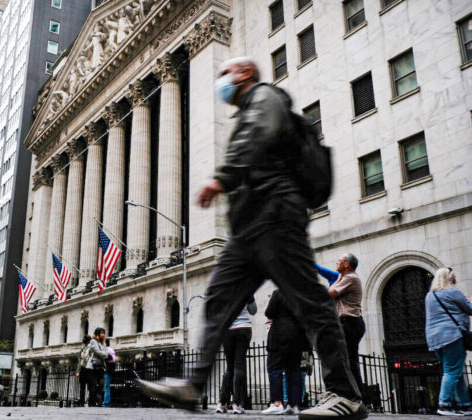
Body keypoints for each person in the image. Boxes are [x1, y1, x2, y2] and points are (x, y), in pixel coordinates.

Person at [136, 57, 366, 419]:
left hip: (276, 215)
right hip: (247, 229)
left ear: (244, 74)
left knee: (312, 304)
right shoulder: (247, 108)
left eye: (224, 73)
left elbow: (259, 134)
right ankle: (193, 385)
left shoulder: (264, 97)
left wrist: (222, 178)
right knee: (217, 300)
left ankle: (345, 395)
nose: (221, 81)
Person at [425, 267, 472, 416]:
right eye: (454, 276)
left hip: (434, 338)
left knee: (454, 371)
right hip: (452, 335)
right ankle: (444, 405)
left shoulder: (430, 296)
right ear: (449, 278)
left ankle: (465, 404)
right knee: (452, 371)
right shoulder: (453, 292)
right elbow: (469, 309)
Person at [317, 254, 365, 395]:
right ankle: (350, 395)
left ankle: (355, 396)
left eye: (339, 261)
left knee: (349, 362)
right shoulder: (343, 277)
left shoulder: (350, 278)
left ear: (346, 264)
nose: (336, 262)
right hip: (347, 322)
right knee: (345, 361)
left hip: (350, 322)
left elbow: (331, 293)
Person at [262, 290, 309, 415]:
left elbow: (269, 312)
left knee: (275, 368)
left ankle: (277, 403)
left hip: (280, 335)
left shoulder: (279, 292)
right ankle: (294, 405)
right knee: (294, 370)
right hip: (297, 336)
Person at [216, 297, 257, 414]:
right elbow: (253, 310)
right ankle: (237, 404)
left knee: (229, 368)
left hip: (227, 330)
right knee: (239, 366)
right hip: (243, 328)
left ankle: (222, 403)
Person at [85, 328, 109, 407]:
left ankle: (97, 398)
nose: (103, 334)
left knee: (101, 384)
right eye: (101, 333)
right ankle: (91, 403)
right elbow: (98, 352)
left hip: (100, 367)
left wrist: (104, 353)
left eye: (104, 333)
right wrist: (105, 355)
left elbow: (105, 352)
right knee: (93, 386)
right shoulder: (93, 341)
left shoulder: (103, 343)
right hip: (92, 367)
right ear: (97, 334)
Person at [76, 335, 92, 407]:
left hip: (89, 368)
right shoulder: (83, 349)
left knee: (89, 387)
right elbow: (80, 360)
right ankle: (82, 402)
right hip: (83, 369)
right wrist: (78, 371)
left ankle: (90, 402)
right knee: (83, 387)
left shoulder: (91, 347)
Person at [102, 338, 116, 407]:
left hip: (108, 371)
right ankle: (106, 402)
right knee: (105, 387)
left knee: (106, 388)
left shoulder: (109, 350)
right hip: (104, 371)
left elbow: (113, 360)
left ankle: (106, 403)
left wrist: (106, 355)